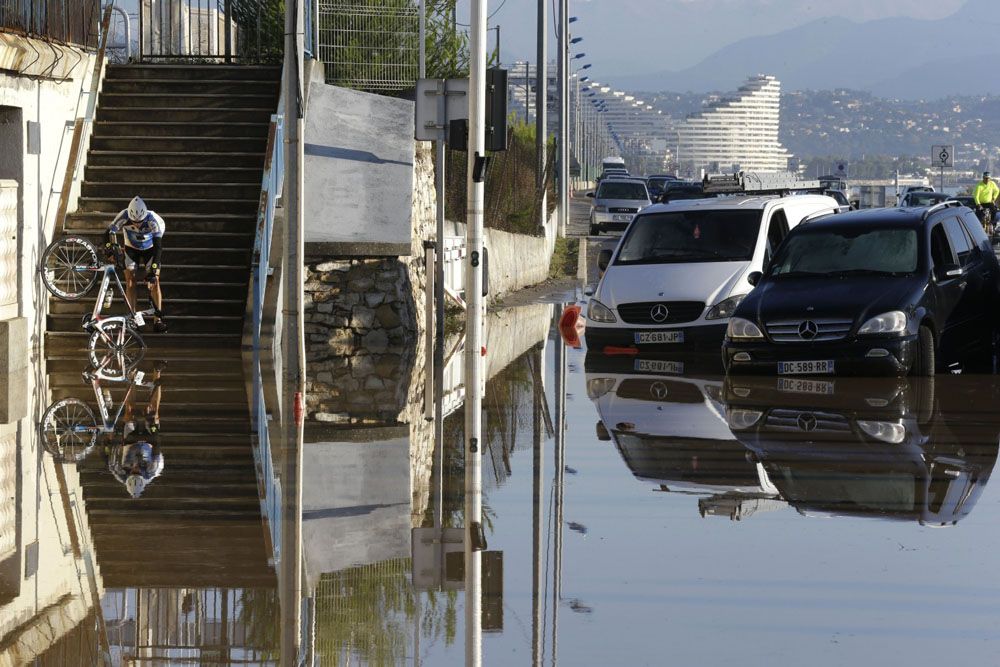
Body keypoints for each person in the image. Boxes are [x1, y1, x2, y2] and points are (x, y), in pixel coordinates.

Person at [106, 196, 167, 332]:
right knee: (130, 282)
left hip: (150, 248)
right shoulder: (124, 215)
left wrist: (154, 269)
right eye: (134, 222)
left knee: (155, 281)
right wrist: (109, 249)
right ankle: (132, 318)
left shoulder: (153, 220)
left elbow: (158, 248)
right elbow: (108, 232)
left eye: (140, 222)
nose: (138, 224)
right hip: (131, 248)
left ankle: (158, 319)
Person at [107, 362, 165, 499]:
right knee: (154, 413)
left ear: (128, 476)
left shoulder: (119, 472)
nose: (135, 469)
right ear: (143, 475)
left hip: (130, 442)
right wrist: (150, 422)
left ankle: (132, 376)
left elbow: (111, 453)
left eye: (133, 472)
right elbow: (157, 440)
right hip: (150, 442)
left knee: (129, 412)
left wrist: (111, 438)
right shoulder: (153, 469)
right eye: (138, 472)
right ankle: (157, 372)